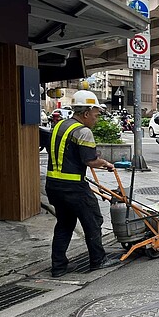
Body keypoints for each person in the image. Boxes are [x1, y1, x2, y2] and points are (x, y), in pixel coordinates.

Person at [45, 90, 120, 277]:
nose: (96, 119)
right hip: (74, 188)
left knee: (64, 224)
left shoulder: (60, 126)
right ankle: (98, 260)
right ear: (85, 113)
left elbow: (69, 154)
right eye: (95, 115)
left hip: (53, 186)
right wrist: (106, 163)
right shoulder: (83, 131)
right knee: (93, 220)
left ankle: (59, 267)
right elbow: (90, 161)